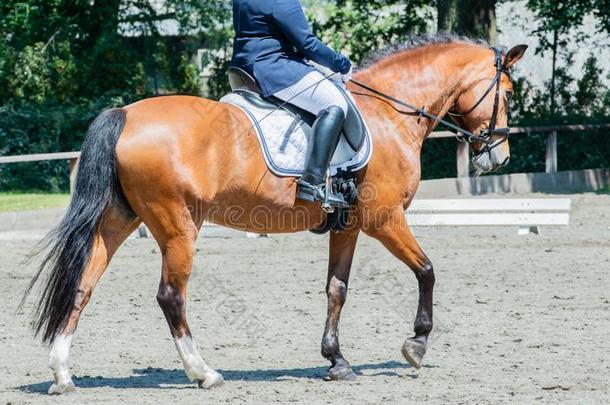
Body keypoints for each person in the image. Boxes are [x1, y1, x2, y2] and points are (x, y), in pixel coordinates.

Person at [231, 0, 353, 206]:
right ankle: (313, 182)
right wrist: (342, 64)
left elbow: (265, 32)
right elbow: (308, 44)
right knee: (335, 103)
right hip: (273, 69)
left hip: (242, 68)